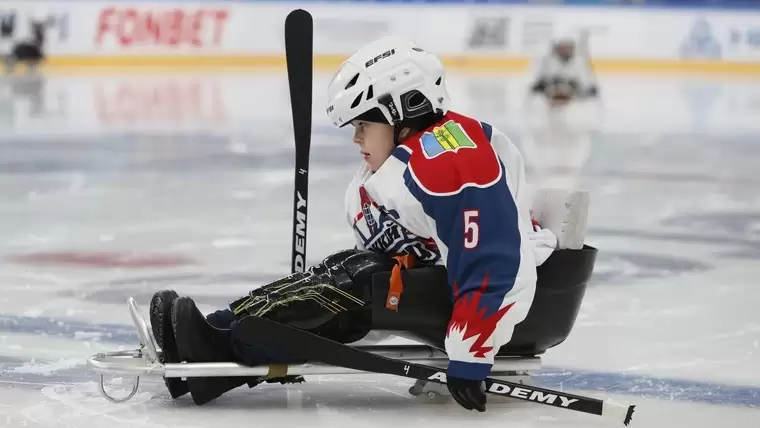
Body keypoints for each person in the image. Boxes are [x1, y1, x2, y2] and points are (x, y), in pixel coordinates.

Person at [150, 36, 557, 410]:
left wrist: (471, 355)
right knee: (349, 275)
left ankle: (219, 348)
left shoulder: (451, 163)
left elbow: (494, 263)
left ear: (402, 114)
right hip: (460, 292)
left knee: (361, 281)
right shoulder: (418, 155)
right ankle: (222, 329)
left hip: (510, 308)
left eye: (364, 125)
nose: (356, 138)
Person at [529, 31, 599, 106]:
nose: (565, 50)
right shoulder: (547, 62)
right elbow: (539, 84)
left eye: (568, 47)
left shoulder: (579, 62)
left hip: (574, 105)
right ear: (556, 48)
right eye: (562, 47)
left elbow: (587, 86)